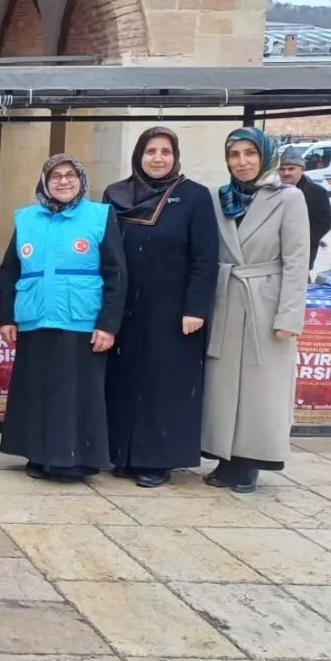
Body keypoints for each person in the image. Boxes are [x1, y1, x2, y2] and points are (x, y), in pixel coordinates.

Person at [0, 154, 127, 481]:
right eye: (56, 176)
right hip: (35, 320)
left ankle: (76, 460)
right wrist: (7, 317)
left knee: (76, 396)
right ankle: (40, 456)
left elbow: (116, 273)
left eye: (71, 175)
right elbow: (11, 270)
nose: (64, 181)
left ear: (81, 180)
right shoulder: (26, 218)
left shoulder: (99, 216)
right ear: (45, 182)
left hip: (81, 321)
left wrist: (108, 325)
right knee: (37, 393)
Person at [102, 128, 218, 488]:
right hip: (125, 305)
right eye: (150, 151)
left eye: (165, 152)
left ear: (175, 156)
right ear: (138, 155)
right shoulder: (116, 195)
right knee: (124, 380)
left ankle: (158, 460)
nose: (157, 158)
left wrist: (196, 308)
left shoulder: (194, 197)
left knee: (162, 385)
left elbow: (205, 258)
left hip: (172, 310)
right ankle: (123, 453)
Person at [203, 127, 310, 493]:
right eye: (234, 155)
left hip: (265, 301)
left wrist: (289, 316)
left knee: (260, 387)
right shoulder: (220, 199)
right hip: (227, 299)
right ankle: (225, 455)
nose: (242, 162)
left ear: (265, 156)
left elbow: (297, 261)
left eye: (250, 153)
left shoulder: (289, 198)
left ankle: (251, 460)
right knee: (224, 384)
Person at [278, 148, 331, 270]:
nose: (286, 173)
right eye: (282, 169)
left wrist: (303, 240)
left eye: (291, 169)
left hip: (303, 256)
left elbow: (324, 222)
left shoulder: (317, 193)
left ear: (302, 169)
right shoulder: (271, 191)